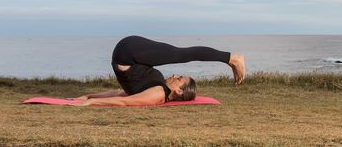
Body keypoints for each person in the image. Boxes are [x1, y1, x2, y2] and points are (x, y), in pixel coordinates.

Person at [73, 35, 245, 106]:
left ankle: (233, 58)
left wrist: (92, 101)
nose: (175, 75)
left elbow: (123, 100)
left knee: (183, 54)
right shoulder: (158, 88)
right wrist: (88, 95)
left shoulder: (158, 94)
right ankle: (231, 59)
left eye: (179, 78)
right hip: (131, 52)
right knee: (181, 54)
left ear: (178, 90)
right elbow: (121, 93)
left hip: (128, 52)